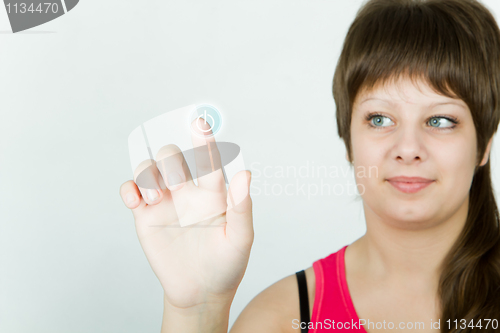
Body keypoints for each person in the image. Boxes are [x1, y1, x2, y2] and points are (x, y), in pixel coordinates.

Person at [119, 0, 500, 332]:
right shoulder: (281, 320)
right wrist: (198, 309)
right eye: (380, 119)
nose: (408, 148)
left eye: (440, 120)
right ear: (348, 139)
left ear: (484, 142)